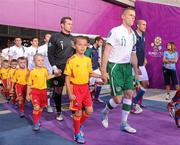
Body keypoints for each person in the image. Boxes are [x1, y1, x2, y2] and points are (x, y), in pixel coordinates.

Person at [100, 7, 139, 134]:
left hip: (127, 67)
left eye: (134, 16)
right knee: (117, 99)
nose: (132, 18)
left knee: (129, 94)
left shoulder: (133, 34)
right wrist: (103, 70)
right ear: (123, 16)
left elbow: (133, 54)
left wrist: (136, 71)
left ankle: (123, 123)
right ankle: (105, 111)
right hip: (115, 67)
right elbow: (106, 52)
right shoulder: (115, 31)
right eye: (130, 15)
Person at [64, 36, 101, 144]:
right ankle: (76, 134)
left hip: (85, 88)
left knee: (89, 110)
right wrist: (70, 93)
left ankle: (78, 125)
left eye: (85, 45)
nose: (82, 47)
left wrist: (100, 76)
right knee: (78, 113)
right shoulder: (71, 60)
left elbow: (90, 73)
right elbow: (67, 77)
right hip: (75, 88)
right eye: (80, 44)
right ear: (75, 46)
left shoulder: (88, 59)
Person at [48, 16, 75, 121]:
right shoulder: (55, 37)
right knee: (58, 90)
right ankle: (59, 112)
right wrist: (54, 67)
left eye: (71, 24)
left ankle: (73, 110)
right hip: (58, 67)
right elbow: (50, 54)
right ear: (62, 25)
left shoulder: (73, 39)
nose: (70, 26)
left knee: (71, 90)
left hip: (70, 68)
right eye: (68, 23)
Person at [26, 54, 60, 131]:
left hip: (43, 92)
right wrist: (27, 95)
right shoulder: (32, 72)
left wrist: (55, 75)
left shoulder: (45, 69)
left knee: (41, 108)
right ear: (34, 61)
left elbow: (47, 77)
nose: (41, 62)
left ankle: (37, 119)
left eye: (42, 60)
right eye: (38, 60)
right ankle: (35, 123)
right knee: (36, 107)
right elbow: (29, 84)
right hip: (35, 92)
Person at [132, 20, 149, 114]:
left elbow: (141, 48)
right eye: (143, 24)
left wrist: (144, 57)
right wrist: (136, 66)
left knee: (145, 84)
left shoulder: (143, 34)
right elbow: (132, 52)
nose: (145, 26)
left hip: (141, 63)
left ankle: (134, 102)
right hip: (135, 64)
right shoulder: (133, 35)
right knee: (130, 87)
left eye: (145, 25)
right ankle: (132, 105)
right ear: (137, 25)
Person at [85, 36, 104, 103]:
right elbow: (85, 58)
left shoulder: (97, 50)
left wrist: (100, 68)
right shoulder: (90, 49)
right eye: (101, 42)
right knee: (90, 85)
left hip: (96, 69)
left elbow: (97, 60)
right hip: (91, 70)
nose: (101, 44)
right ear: (96, 41)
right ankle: (89, 98)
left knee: (101, 82)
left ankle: (96, 97)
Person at [38, 34, 53, 113]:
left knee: (49, 90)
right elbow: (38, 60)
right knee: (42, 89)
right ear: (44, 39)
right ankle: (41, 103)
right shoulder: (41, 48)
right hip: (42, 72)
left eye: (50, 36)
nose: (49, 38)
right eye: (47, 36)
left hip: (51, 73)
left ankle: (48, 104)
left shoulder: (55, 47)